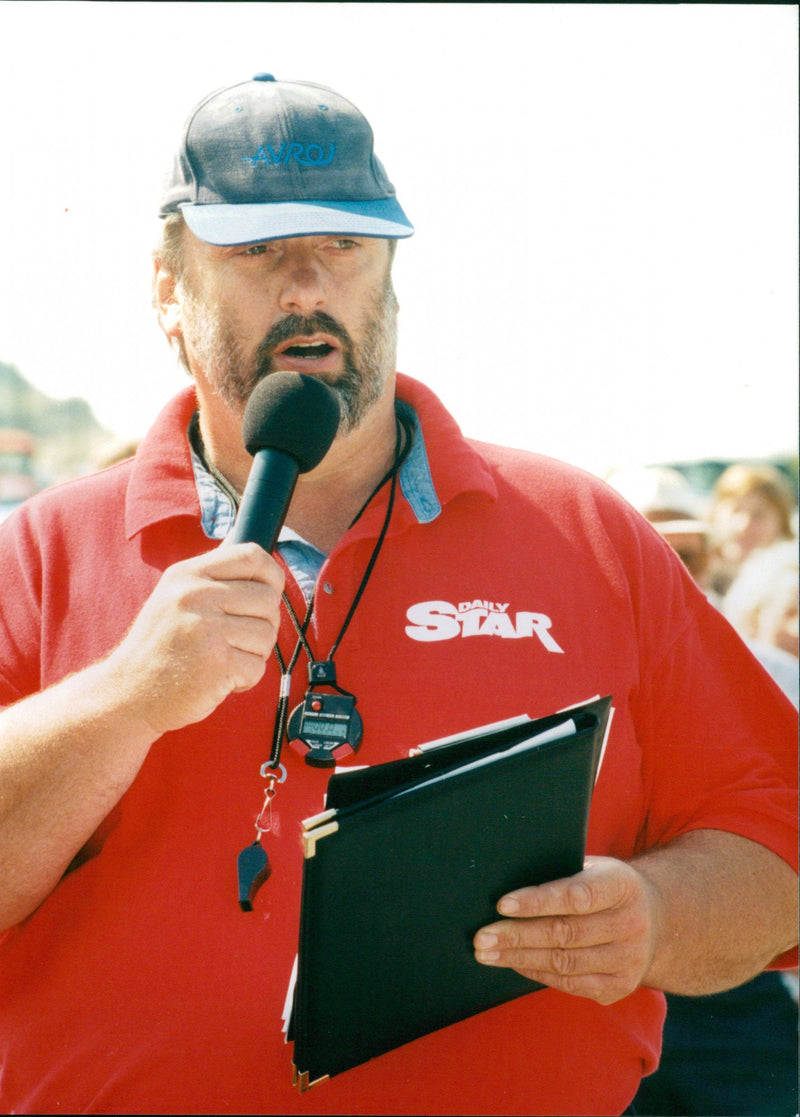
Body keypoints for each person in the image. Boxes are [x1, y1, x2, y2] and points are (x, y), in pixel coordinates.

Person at [0, 75, 796, 1117]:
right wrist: (122, 702)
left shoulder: (585, 531)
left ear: (391, 275)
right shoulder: (41, 553)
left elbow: (774, 846)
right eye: (255, 253)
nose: (304, 287)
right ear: (165, 288)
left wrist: (652, 912)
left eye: (344, 247)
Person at [608, 465, 799, 1115]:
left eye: (684, 552)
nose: (667, 569)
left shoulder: (773, 670)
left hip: (741, 986)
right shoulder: (563, 677)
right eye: (648, 549)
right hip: (606, 981)